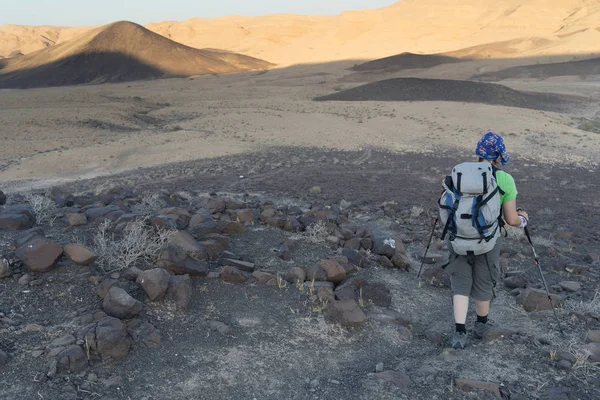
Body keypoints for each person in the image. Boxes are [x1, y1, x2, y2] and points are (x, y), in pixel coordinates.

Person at [446, 132, 529, 349]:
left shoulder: (458, 173)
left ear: (479, 153)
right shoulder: (504, 179)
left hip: (459, 238)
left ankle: (459, 332)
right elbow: (511, 219)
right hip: (488, 241)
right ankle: (481, 326)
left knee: (461, 282)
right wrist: (523, 219)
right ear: (498, 157)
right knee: (484, 281)